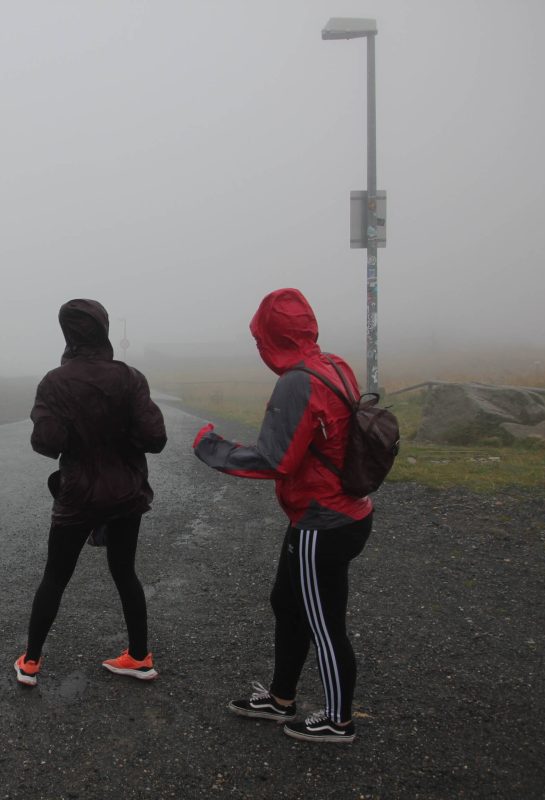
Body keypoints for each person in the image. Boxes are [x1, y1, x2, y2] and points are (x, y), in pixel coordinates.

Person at [192, 288, 373, 743]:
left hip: (322, 521)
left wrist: (211, 449)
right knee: (286, 602)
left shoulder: (297, 380)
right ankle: (280, 698)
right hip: (338, 512)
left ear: (269, 336)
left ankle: (338, 720)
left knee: (324, 622)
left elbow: (275, 459)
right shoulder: (334, 364)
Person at [14, 299, 167, 687]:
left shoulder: (54, 382)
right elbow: (155, 438)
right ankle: (138, 656)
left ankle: (31, 662)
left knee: (56, 575)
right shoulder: (131, 378)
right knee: (124, 572)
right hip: (126, 493)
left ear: (67, 333)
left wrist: (69, 426)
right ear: (104, 329)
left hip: (77, 493)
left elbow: (47, 443)